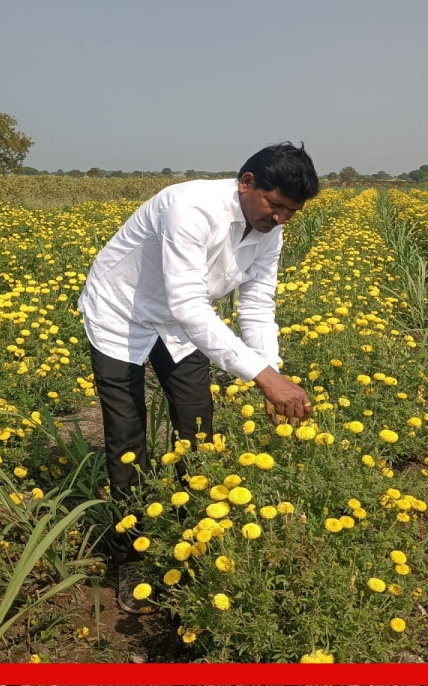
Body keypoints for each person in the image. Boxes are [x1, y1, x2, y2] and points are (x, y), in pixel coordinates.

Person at [77, 141, 320, 614]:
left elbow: (256, 304)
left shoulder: (269, 232)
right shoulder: (189, 207)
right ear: (247, 183)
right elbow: (188, 302)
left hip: (181, 324)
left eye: (292, 212)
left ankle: (194, 534)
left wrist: (269, 371)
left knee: (198, 425)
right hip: (122, 312)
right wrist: (262, 376)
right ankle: (131, 555)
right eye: (275, 205)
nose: (281, 219)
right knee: (127, 435)